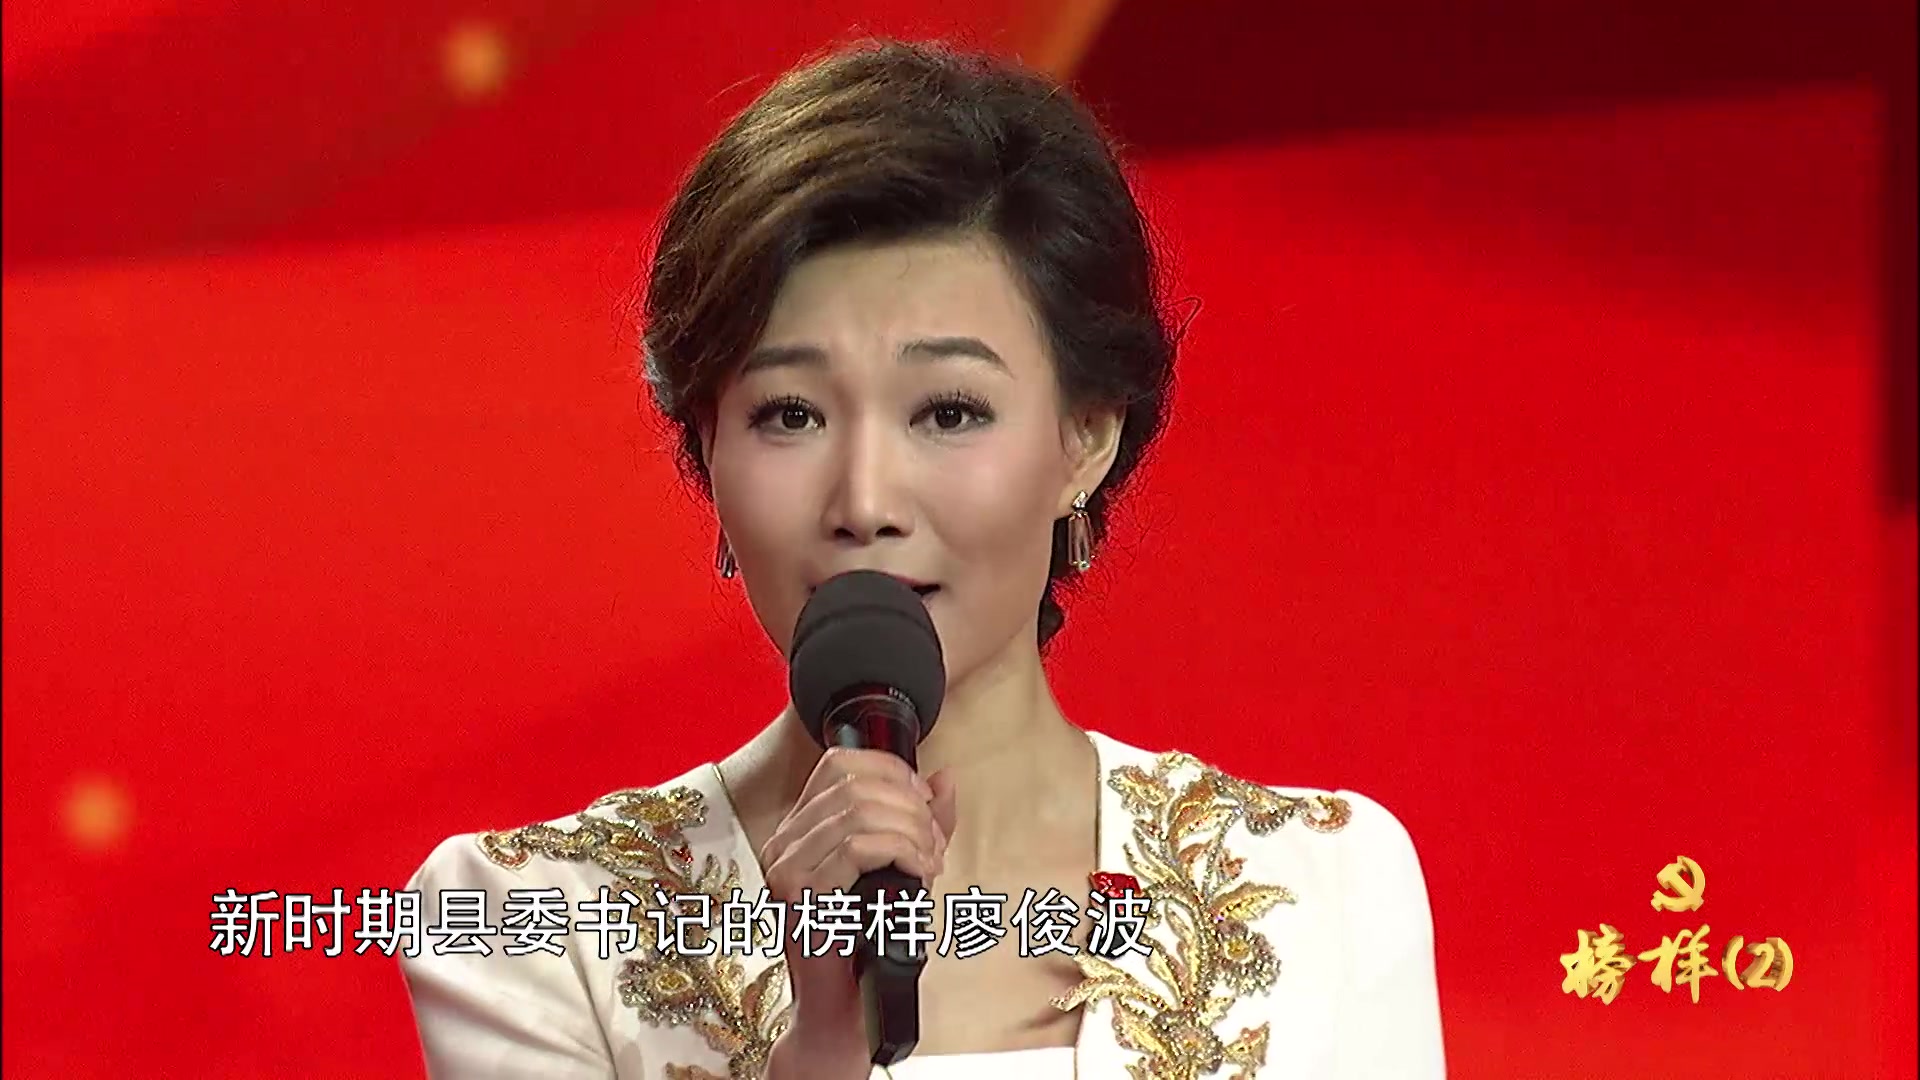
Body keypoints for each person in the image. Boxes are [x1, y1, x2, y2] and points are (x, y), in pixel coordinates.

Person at [399, 38, 1445, 1080]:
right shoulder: (535, 923)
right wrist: (822, 1048)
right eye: (790, 414)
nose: (864, 502)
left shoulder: (1322, 891)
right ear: (706, 445)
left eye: (948, 411)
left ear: (1086, 437)